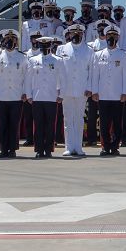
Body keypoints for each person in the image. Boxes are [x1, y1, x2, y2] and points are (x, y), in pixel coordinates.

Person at [90, 25, 126, 156]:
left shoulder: (124, 55)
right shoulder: (98, 55)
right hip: (103, 94)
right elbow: (94, 75)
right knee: (104, 123)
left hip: (118, 95)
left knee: (117, 123)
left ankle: (115, 147)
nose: (111, 38)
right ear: (105, 37)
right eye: (109, 36)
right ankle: (105, 146)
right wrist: (94, 91)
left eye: (113, 36)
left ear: (118, 38)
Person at [0, 29, 28, 158]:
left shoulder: (22, 57)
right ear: (3, 41)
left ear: (16, 41)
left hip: (17, 95)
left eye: (12, 39)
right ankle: (3, 149)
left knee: (14, 124)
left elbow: (26, 77)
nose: (10, 42)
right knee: (2, 124)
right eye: (7, 39)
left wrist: (25, 92)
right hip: (1, 96)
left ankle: (12, 149)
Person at [56, 23, 92, 156]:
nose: (76, 35)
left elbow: (91, 71)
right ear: (69, 34)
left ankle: (78, 147)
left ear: (83, 34)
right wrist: (59, 89)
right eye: (73, 33)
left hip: (82, 89)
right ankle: (69, 147)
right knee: (68, 118)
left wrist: (90, 88)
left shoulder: (89, 50)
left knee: (79, 119)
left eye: (79, 33)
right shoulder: (61, 49)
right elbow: (59, 71)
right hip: (66, 89)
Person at [24, 36, 61, 158]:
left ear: (50, 46)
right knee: (38, 125)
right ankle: (39, 149)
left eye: (47, 45)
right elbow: (28, 79)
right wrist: (29, 95)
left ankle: (49, 149)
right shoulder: (33, 60)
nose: (44, 48)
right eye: (42, 46)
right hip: (37, 97)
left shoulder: (57, 60)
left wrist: (60, 94)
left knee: (50, 125)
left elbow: (62, 79)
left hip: (52, 97)